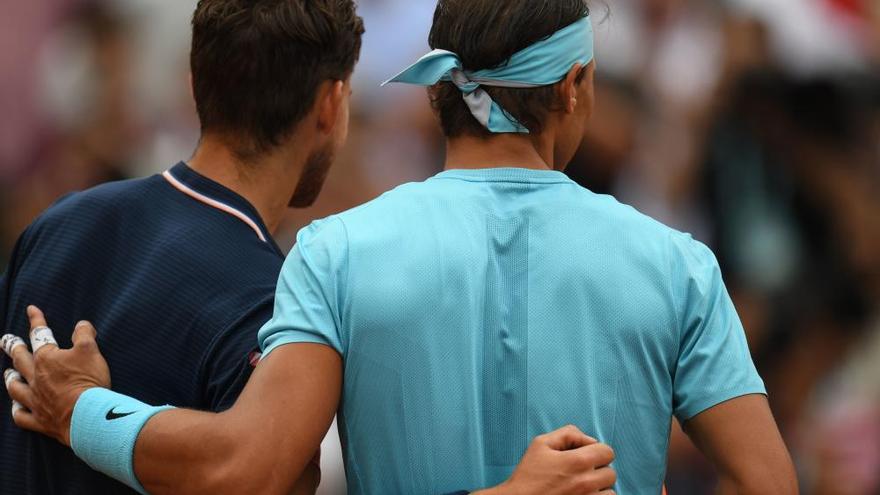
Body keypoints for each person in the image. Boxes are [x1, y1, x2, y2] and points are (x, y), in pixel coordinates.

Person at [4, 0, 796, 494]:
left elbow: (246, 466)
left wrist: (82, 410)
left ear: (442, 94)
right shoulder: (677, 263)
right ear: (574, 87)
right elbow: (767, 482)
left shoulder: (334, 252)